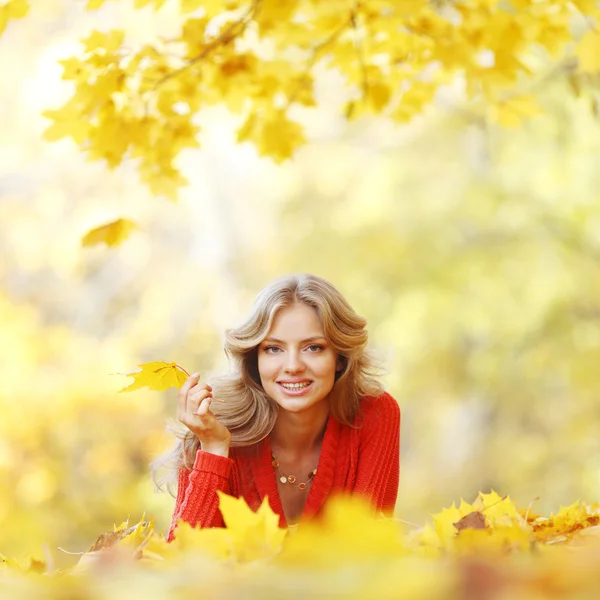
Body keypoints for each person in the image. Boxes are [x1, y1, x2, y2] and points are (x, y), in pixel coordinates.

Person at [154, 274, 400, 542]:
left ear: (339, 357)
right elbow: (182, 559)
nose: (293, 366)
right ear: (254, 358)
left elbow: (369, 551)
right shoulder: (214, 422)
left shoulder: (374, 414)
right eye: (273, 349)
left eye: (313, 347)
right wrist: (214, 449)